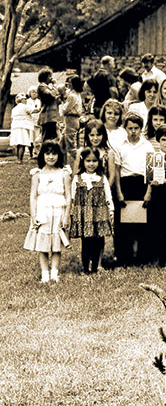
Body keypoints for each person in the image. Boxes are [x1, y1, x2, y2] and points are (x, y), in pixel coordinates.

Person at [24, 140, 71, 282]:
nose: (51, 157)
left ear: (59, 155)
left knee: (57, 244)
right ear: (42, 155)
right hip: (42, 212)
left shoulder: (64, 173)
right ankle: (45, 273)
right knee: (43, 244)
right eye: (47, 153)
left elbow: (68, 196)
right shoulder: (37, 174)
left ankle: (54, 273)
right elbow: (33, 196)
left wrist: (66, 216)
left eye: (54, 153)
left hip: (58, 211)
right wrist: (33, 216)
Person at [114, 112, 155, 266]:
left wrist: (148, 192)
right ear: (125, 128)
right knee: (125, 224)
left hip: (142, 183)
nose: (133, 131)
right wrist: (119, 192)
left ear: (141, 128)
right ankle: (125, 258)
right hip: (126, 184)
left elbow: (151, 172)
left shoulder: (147, 146)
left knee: (143, 223)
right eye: (130, 128)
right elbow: (117, 171)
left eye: (136, 128)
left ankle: (143, 258)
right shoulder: (120, 146)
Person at [69, 147, 114, 274]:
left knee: (98, 241)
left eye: (94, 161)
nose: (91, 164)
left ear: (98, 162)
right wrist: (72, 214)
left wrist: (111, 211)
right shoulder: (78, 178)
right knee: (86, 242)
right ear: (83, 162)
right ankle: (85, 268)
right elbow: (73, 197)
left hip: (99, 214)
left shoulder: (101, 178)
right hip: (83, 215)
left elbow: (108, 196)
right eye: (88, 161)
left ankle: (95, 267)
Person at [145, 124, 166, 267]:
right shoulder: (153, 157)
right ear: (158, 141)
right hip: (158, 194)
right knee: (158, 226)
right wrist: (149, 189)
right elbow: (148, 177)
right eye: (164, 140)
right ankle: (160, 258)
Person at [61, 75, 85, 166]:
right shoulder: (77, 94)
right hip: (73, 120)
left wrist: (63, 105)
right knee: (62, 144)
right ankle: (63, 165)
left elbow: (65, 110)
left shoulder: (72, 96)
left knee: (71, 146)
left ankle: (82, 162)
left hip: (71, 120)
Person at [37, 67, 60, 141]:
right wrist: (54, 85)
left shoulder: (47, 87)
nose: (51, 78)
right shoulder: (42, 87)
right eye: (50, 76)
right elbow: (51, 95)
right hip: (47, 117)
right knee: (46, 139)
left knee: (52, 138)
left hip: (52, 117)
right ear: (45, 77)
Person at [10, 93, 33, 163]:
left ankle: (18, 159)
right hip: (22, 127)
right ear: (22, 100)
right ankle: (20, 160)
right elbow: (34, 110)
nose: (26, 100)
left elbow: (12, 119)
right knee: (22, 144)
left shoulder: (14, 109)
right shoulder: (25, 106)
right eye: (25, 99)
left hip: (15, 127)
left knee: (17, 144)